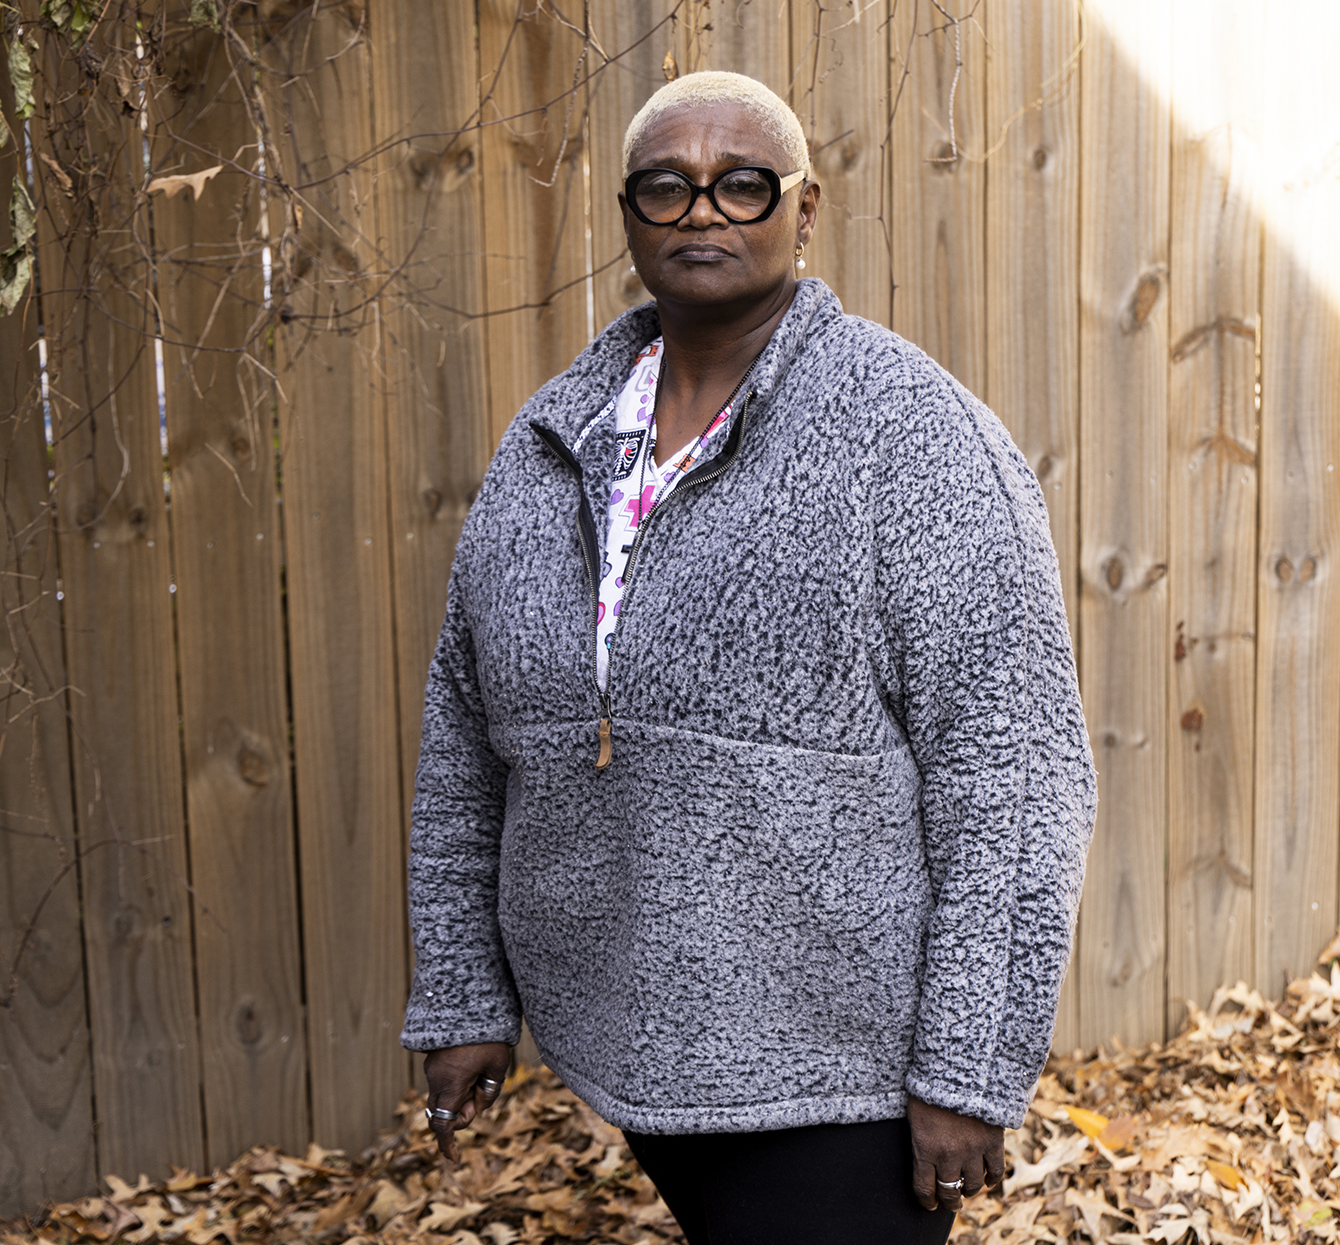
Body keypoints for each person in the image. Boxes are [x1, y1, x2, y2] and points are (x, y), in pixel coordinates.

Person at [399, 69, 1097, 1244]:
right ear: (628, 216)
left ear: (804, 210)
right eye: (666, 187)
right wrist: (465, 988)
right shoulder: (554, 441)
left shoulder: (911, 438)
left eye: (742, 184)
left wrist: (967, 1066)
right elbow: (467, 745)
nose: (703, 212)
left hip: (841, 1074)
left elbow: (1013, 776)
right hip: (628, 1040)